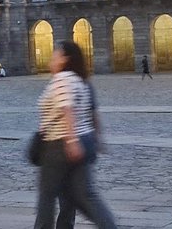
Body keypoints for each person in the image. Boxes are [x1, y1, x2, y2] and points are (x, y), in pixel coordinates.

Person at [34, 41, 116, 229]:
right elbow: (88, 112)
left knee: (46, 196)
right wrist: (95, 139)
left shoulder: (62, 79)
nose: (52, 59)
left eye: (55, 55)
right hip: (83, 140)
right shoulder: (81, 81)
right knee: (86, 196)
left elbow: (67, 108)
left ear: (65, 59)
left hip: (59, 144)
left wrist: (71, 140)